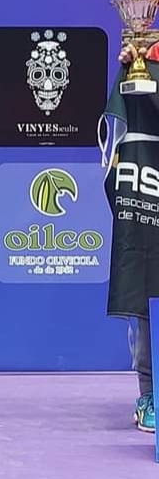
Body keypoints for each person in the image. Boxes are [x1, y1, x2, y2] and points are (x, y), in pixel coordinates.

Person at [103, 42, 159, 432]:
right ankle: (150, 394)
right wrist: (136, 68)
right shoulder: (148, 60)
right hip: (147, 191)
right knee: (149, 287)